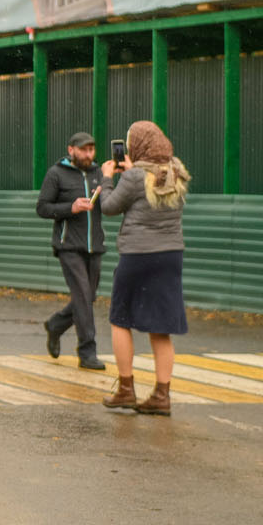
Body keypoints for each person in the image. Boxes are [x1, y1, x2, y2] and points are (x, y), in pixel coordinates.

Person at [98, 120, 190, 416]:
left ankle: (126, 390)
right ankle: (161, 395)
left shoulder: (135, 176)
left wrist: (107, 178)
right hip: (170, 255)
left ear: (137, 144)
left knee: (120, 318)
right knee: (161, 326)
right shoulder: (175, 170)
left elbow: (109, 207)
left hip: (138, 254)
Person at [37, 130, 107, 370]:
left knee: (88, 297)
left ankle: (56, 325)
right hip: (69, 246)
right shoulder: (56, 174)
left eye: (91, 149)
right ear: (71, 150)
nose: (89, 154)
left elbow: (108, 204)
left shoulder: (98, 173)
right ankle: (87, 352)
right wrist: (71, 207)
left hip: (94, 246)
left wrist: (111, 179)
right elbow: (43, 208)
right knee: (82, 298)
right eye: (84, 149)